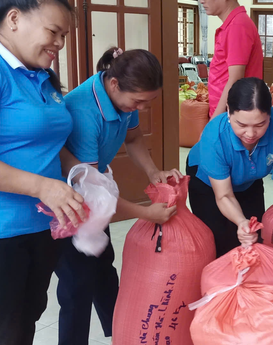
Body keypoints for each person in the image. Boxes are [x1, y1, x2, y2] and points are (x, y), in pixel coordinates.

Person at [0, 0, 85, 343]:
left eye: (64, 36)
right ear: (14, 19)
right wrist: (42, 186)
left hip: (40, 228)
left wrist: (79, 170)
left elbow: (46, 141)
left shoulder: (39, 76)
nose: (59, 43)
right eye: (53, 32)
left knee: (23, 327)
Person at [56, 47, 181, 345]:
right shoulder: (84, 112)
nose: (142, 108)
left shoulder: (125, 103)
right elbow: (92, 195)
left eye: (148, 102)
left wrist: (153, 173)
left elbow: (134, 137)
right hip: (65, 201)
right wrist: (148, 213)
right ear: (114, 85)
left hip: (93, 187)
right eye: (138, 101)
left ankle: (120, 334)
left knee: (102, 267)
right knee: (76, 284)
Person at [187, 77, 273, 258]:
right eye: (241, 125)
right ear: (229, 112)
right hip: (207, 183)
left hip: (249, 179)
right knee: (219, 245)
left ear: (270, 114)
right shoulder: (214, 137)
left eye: (260, 125)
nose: (250, 134)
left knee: (254, 237)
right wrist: (240, 221)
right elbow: (223, 195)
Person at [201, 0, 263, 118]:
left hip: (231, 115)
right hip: (228, 114)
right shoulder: (233, 24)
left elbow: (235, 78)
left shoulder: (238, 25)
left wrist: (214, 121)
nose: (202, 0)